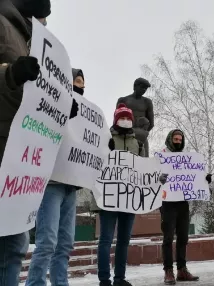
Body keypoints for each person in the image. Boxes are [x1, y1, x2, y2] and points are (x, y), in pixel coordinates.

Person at [0, 1, 50, 285]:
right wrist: (11, 75)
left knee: (13, 249)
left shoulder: (30, 38)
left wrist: (59, 108)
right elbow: (13, 78)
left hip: (15, 156)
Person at [25, 69, 85, 286]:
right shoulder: (48, 102)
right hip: (50, 184)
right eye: (74, 81)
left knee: (66, 243)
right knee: (47, 241)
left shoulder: (84, 115)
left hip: (71, 186)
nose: (79, 85)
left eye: (81, 82)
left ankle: (60, 283)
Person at [97, 104, 146, 286]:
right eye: (122, 118)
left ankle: (119, 278)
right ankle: (104, 280)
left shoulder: (137, 143)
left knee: (124, 241)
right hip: (108, 197)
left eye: (128, 118)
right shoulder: (105, 138)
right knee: (106, 240)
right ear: (116, 119)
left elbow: (143, 168)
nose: (125, 121)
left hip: (129, 198)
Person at [161, 129, 211, 284]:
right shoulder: (162, 156)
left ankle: (182, 269)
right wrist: (159, 177)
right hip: (167, 202)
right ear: (170, 139)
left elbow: (194, 177)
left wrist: (204, 180)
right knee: (168, 237)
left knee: (183, 237)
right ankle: (168, 271)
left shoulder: (187, 157)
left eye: (180, 139)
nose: (178, 141)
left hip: (183, 202)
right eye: (175, 139)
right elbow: (153, 175)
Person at [116, 78, 154, 156]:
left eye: (145, 88)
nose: (143, 90)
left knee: (143, 163)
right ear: (135, 86)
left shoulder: (147, 102)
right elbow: (116, 121)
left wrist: (142, 133)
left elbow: (151, 123)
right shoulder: (123, 100)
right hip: (124, 136)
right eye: (142, 87)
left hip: (141, 137)